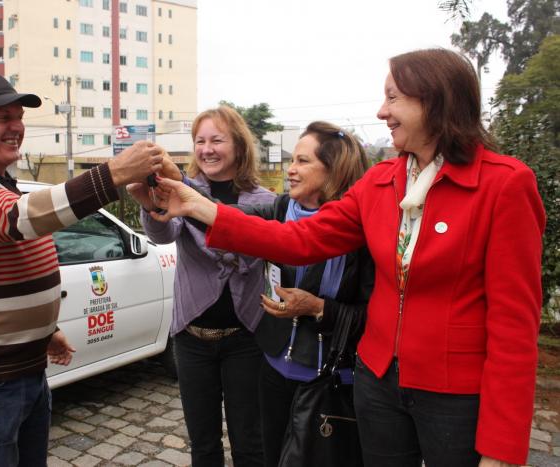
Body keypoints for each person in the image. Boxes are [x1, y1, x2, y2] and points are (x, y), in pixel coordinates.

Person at [150, 49, 545, 467]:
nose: (382, 112)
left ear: (433, 100)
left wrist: (501, 450)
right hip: (377, 386)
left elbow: (514, 327)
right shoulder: (380, 182)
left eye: (393, 98)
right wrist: (198, 205)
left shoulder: (504, 185)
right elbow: (295, 239)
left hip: (452, 396)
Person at [0, 73, 174, 467]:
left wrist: (45, 330)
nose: (17, 127)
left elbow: (6, 263)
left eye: (18, 117)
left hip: (25, 368)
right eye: (3, 117)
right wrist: (113, 174)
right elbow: (16, 220)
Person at [128, 106, 274, 466]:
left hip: (245, 337)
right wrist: (151, 207)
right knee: (203, 444)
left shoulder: (266, 202)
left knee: (250, 442)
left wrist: (194, 204)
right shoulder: (183, 190)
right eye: (200, 141)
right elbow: (164, 234)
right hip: (191, 337)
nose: (207, 149)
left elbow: (254, 251)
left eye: (217, 140)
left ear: (239, 146)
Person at [246, 122, 372, 467]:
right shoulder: (280, 209)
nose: (291, 169)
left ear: (332, 171)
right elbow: (229, 220)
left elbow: (376, 314)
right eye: (292, 160)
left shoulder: (363, 228)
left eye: (303, 161)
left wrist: (319, 308)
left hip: (331, 381)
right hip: (274, 368)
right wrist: (181, 192)